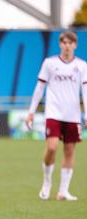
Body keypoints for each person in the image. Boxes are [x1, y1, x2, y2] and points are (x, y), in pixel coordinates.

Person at [26, 31, 87, 201]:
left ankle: (63, 191)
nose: (67, 45)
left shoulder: (82, 65)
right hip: (53, 112)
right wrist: (31, 111)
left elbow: (85, 90)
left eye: (70, 43)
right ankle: (47, 182)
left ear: (75, 45)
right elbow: (39, 88)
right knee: (52, 147)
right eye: (64, 42)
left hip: (73, 115)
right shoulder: (50, 63)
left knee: (69, 151)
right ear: (60, 44)